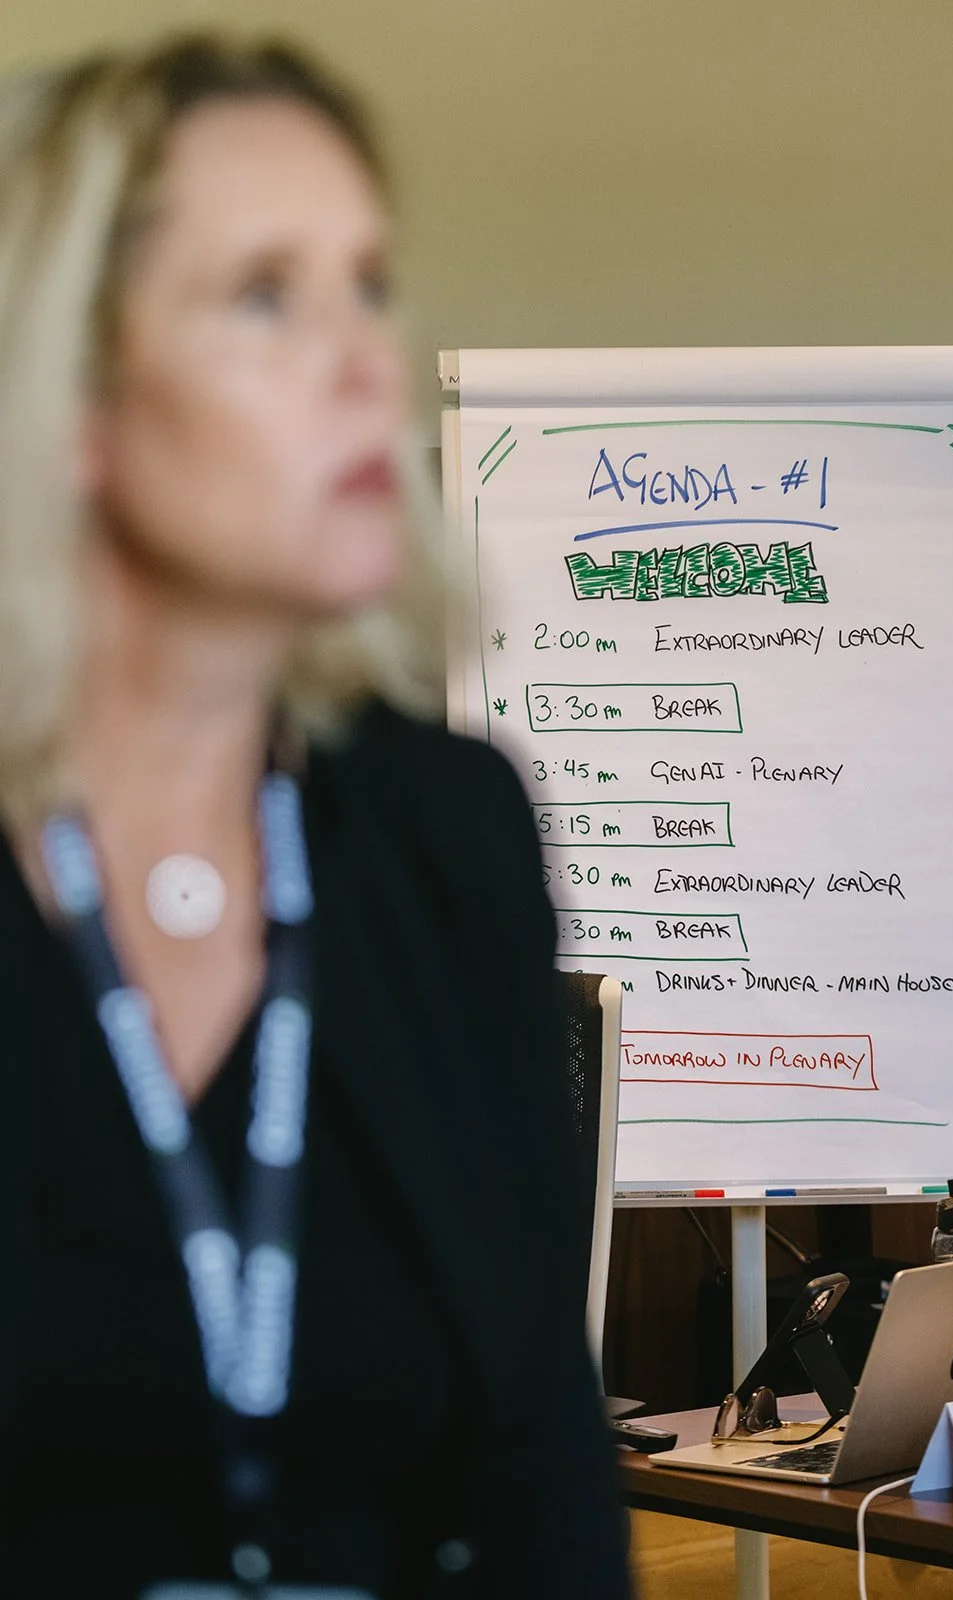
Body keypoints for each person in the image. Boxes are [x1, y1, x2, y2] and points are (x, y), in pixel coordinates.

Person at [0, 34, 631, 1599]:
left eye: (368, 284)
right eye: (266, 295)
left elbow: (545, 1469)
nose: (362, 360)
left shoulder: (447, 833)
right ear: (70, 397)